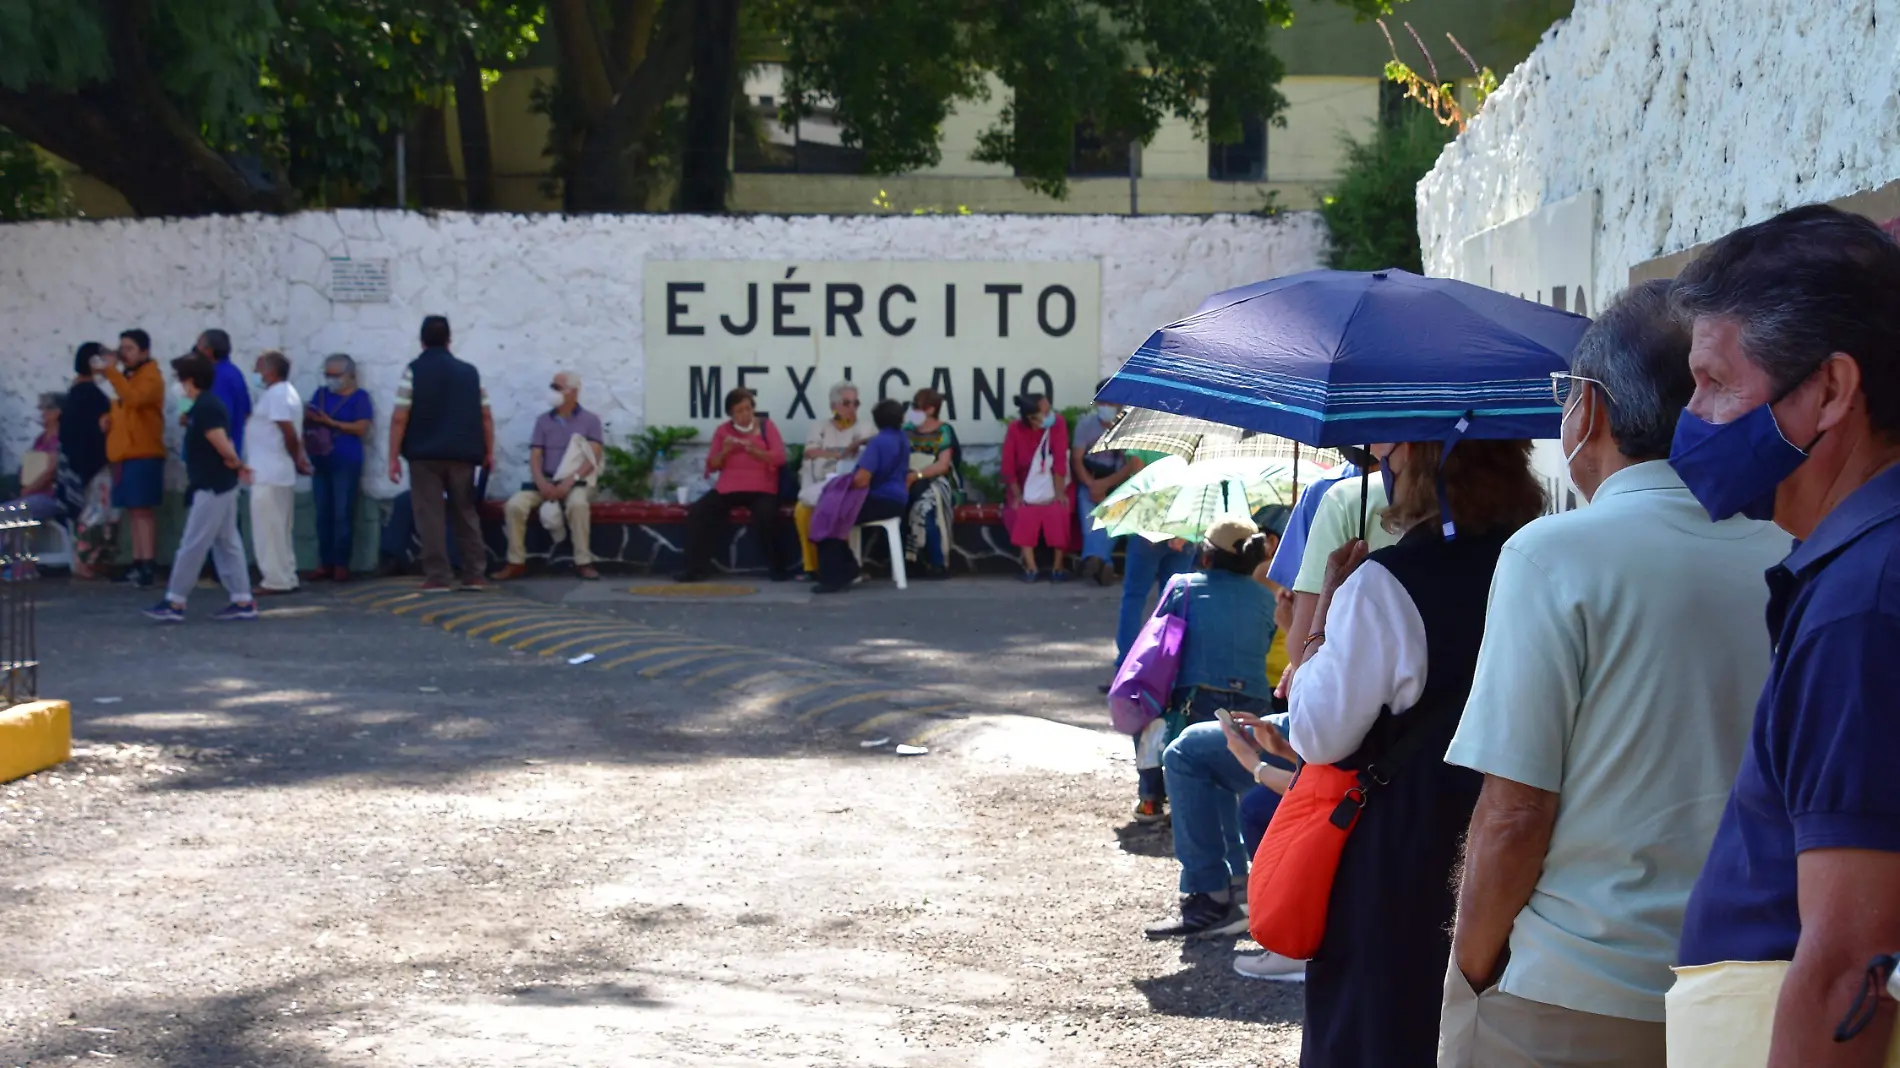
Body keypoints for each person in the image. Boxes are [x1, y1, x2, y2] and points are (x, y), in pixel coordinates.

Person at [1437, 282, 1790, 1068]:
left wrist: (1470, 970)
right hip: (1750, 992)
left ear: (1587, 409)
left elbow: (1513, 814)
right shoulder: (1789, 552)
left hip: (1577, 987)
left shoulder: (1550, 555)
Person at [1666, 205, 1900, 1068]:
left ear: (1832, 390)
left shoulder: (1862, 601)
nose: (1693, 417)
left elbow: (1851, 957)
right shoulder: (1852, 569)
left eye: (1718, 382)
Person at [1269, 435, 1544, 1068]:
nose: (1383, 468)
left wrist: (1321, 621)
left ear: (1424, 466)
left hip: (1408, 842)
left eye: (1390, 458)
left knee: (1384, 1028)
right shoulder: (1541, 565)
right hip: (1530, 831)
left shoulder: (1386, 583)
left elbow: (1317, 732)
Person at [1140, 516, 1282, 939]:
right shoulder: (1266, 598)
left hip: (1196, 699)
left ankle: (1208, 895)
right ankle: (1235, 886)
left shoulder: (1182, 586)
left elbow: (1158, 641)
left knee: (1190, 767)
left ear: (1206, 554)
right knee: (1226, 787)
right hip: (1256, 710)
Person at [142, 354, 257, 623]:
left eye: (179, 378)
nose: (176, 384)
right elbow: (187, 417)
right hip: (218, 483)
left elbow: (219, 440)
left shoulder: (207, 407)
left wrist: (237, 463)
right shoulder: (201, 405)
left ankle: (175, 600)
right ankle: (242, 598)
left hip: (212, 484)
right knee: (227, 542)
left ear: (190, 380)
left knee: (193, 543)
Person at [388, 315, 494, 593]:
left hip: (424, 456)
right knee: (466, 511)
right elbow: (485, 415)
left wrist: (392, 457)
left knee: (430, 515)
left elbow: (400, 417)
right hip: (463, 454)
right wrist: (489, 451)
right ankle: (474, 574)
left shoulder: (413, 371)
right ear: (449, 340)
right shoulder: (470, 373)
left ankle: (438, 575)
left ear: (421, 341)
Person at [493, 372, 606, 582]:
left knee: (578, 505)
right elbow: (536, 456)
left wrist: (568, 482)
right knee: (514, 506)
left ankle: (584, 561)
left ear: (574, 392)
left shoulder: (590, 421)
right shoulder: (543, 421)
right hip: (545, 481)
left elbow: (592, 458)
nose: (553, 392)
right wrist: (541, 482)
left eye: (558, 387)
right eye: (552, 386)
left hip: (577, 481)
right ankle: (515, 562)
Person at [677, 388, 789, 582]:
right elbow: (712, 465)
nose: (745, 414)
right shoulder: (723, 431)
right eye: (739, 411)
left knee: (766, 514)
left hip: (761, 487)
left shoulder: (766, 427)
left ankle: (777, 568)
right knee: (700, 511)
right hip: (729, 487)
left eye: (748, 409)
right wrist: (725, 451)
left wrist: (757, 453)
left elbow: (779, 457)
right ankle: (694, 568)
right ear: (731, 414)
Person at [812, 399, 912, 593]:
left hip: (878, 499)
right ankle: (848, 568)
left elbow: (862, 479)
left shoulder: (878, 443)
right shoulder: (901, 438)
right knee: (835, 515)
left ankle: (834, 576)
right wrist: (862, 441)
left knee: (828, 515)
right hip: (897, 500)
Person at [100, 328, 165, 588]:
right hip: (124, 454)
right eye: (122, 348)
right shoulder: (128, 378)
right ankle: (137, 562)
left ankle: (147, 564)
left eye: (129, 349)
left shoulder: (151, 378)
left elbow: (135, 400)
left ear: (144, 352)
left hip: (144, 453)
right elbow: (126, 409)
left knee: (143, 511)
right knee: (132, 510)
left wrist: (112, 372)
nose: (123, 353)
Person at [304, 354, 374, 581]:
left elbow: (362, 427)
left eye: (335, 375)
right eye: (328, 375)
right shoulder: (321, 395)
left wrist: (332, 423)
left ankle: (341, 563)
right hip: (321, 459)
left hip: (346, 460)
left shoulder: (360, 398)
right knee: (323, 512)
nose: (330, 380)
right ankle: (324, 562)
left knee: (343, 512)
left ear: (350, 376)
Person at [245, 349, 310, 595]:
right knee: (279, 528)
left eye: (258, 368)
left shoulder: (277, 395)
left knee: (269, 530)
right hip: (274, 471)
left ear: (270, 371)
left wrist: (297, 458)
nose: (255, 373)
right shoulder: (283, 393)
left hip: (269, 472)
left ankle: (275, 579)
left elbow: (288, 432)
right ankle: (285, 575)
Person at [794, 382, 874, 579]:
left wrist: (828, 454)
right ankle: (812, 568)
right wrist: (843, 453)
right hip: (821, 482)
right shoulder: (819, 427)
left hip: (850, 485)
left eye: (856, 403)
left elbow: (867, 455)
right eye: (846, 403)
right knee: (802, 510)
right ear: (833, 406)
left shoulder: (865, 428)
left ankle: (844, 569)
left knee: (838, 509)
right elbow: (810, 452)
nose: (852, 409)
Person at [1071, 387, 1141, 586]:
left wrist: (1105, 485)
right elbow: (1077, 459)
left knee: (1110, 525)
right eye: (1101, 403)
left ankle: (1093, 560)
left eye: (1109, 403)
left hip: (1118, 484)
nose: (1105, 407)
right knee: (1090, 527)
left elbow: (1132, 464)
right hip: (1090, 480)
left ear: (1119, 405)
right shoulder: (1085, 425)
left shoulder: (1130, 427)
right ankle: (1104, 563)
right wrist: (1092, 484)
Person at [1001, 393, 1074, 581]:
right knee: (1022, 511)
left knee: (1061, 509)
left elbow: (1059, 462)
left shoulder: (1057, 424)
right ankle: (1031, 567)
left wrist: (1059, 493)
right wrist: (1018, 495)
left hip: (1055, 484)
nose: (1051, 414)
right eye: (1045, 412)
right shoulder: (1015, 430)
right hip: (1025, 487)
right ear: (1031, 418)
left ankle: (1058, 566)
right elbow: (1008, 469)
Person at [60, 343, 114, 578]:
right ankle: (87, 561)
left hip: (77, 461)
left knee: (89, 509)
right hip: (95, 463)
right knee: (97, 510)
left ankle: (88, 560)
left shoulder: (74, 394)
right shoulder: (91, 395)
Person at [903, 388, 963, 578]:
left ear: (930, 410)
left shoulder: (944, 431)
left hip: (939, 483)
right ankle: (913, 561)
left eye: (916, 406)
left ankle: (938, 563)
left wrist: (917, 476)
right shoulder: (907, 430)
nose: (912, 410)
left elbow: (943, 465)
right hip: (910, 482)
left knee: (925, 508)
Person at [4, 393, 62, 519]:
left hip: (46, 497)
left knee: (6, 514)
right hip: (30, 493)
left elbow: (50, 472)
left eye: (45, 408)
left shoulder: (59, 440)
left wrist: (28, 489)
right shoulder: (40, 439)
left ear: (57, 413)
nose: (41, 412)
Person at [197, 329, 251, 456]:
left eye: (199, 344)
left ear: (208, 351)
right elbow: (246, 411)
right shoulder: (234, 372)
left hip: (216, 456)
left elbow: (217, 418)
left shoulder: (216, 377)